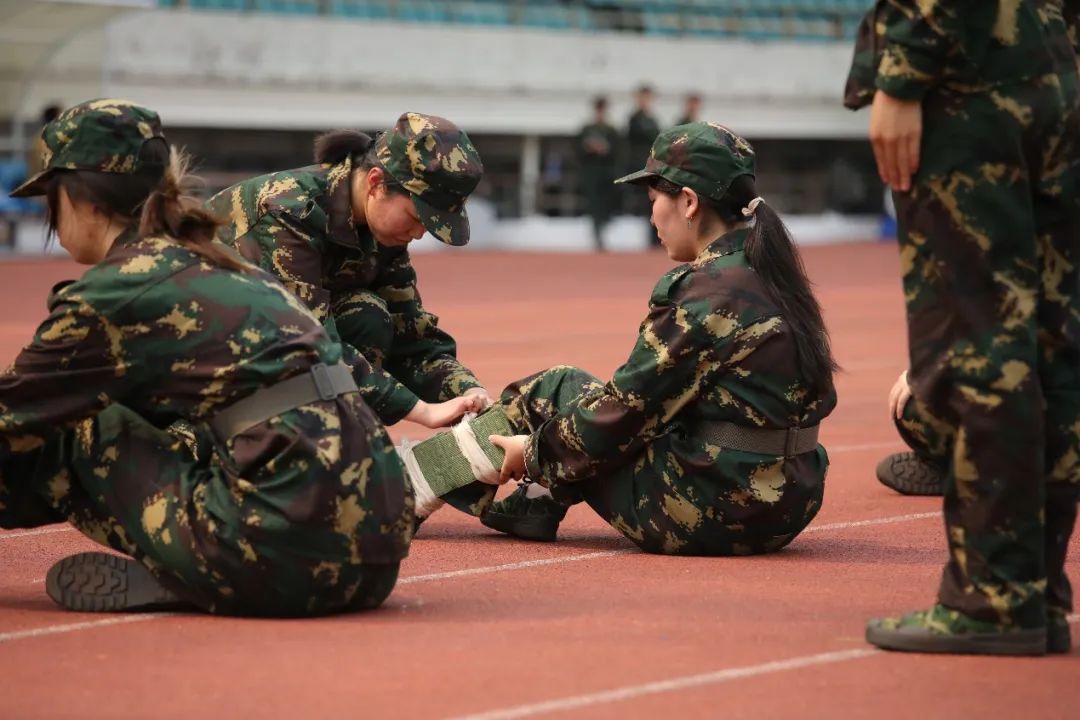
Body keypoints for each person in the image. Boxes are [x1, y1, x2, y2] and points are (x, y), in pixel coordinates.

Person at [1, 100, 411, 616]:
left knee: (74, 429)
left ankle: (205, 572)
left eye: (50, 198)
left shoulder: (117, 292)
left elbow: (13, 413)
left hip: (288, 556)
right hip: (375, 560)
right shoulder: (221, 262)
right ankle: (205, 570)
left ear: (78, 197)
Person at [477, 122, 838, 556]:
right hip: (789, 502)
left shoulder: (708, 292)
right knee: (613, 415)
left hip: (720, 512)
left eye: (653, 201)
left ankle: (417, 485)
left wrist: (533, 453)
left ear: (688, 202)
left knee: (554, 389)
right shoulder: (774, 271)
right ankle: (533, 505)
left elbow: (625, 409)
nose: (651, 217)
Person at [845, 1, 1079, 655]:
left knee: (978, 342)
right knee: (1052, 339)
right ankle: (1034, 588)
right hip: (1054, 69)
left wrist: (904, 69)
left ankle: (995, 599)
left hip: (970, 75)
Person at [208, 112, 495, 519]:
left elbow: (412, 336)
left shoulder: (379, 228)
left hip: (263, 357)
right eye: (418, 219)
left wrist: (468, 397)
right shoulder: (288, 210)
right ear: (376, 182)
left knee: (368, 316)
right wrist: (421, 410)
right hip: (194, 364)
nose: (418, 235)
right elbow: (309, 346)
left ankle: (338, 469)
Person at [577, 96, 621, 251]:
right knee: (594, 205)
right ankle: (597, 233)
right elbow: (577, 151)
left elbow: (619, 151)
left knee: (607, 204)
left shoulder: (611, 131)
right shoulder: (587, 130)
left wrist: (605, 150)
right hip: (592, 174)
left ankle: (603, 229)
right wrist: (589, 149)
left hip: (607, 173)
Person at [625, 85, 661, 247]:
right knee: (640, 201)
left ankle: (654, 236)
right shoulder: (634, 119)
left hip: (651, 166)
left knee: (654, 201)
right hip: (638, 165)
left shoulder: (653, 120)